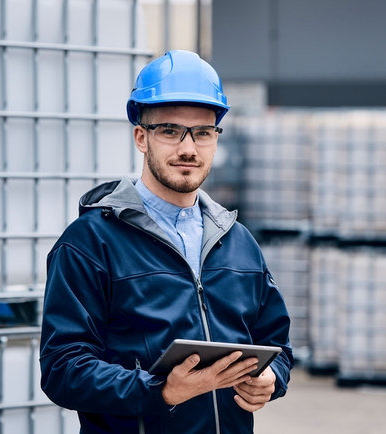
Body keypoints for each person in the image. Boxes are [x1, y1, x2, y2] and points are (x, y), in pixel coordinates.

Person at [39, 50, 294, 434]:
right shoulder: (89, 243)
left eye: (203, 133)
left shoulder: (238, 242)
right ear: (142, 137)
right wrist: (160, 391)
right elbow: (62, 368)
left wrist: (272, 378)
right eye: (171, 131)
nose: (189, 148)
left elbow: (278, 344)